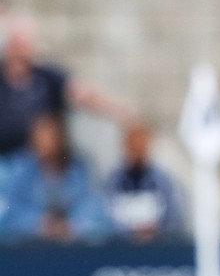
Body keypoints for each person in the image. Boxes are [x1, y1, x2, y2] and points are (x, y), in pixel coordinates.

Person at [0, 12, 134, 161]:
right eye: (16, 41)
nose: (19, 48)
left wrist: (121, 112)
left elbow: (84, 94)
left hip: (37, 162)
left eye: (24, 41)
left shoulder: (47, 77)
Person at [0, 113, 114, 243]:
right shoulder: (21, 169)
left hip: (72, 243)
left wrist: (71, 225)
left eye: (48, 136)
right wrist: (40, 224)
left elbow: (91, 203)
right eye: (38, 137)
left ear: (59, 139)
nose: (43, 143)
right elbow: (12, 209)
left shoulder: (78, 167)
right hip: (31, 246)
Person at [103, 121, 185, 243]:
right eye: (133, 147)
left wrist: (156, 230)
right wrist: (130, 232)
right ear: (125, 147)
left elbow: (174, 218)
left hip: (156, 247)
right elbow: (105, 217)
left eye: (141, 146)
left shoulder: (162, 181)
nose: (138, 152)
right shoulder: (114, 181)